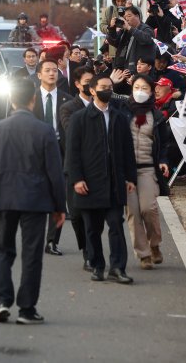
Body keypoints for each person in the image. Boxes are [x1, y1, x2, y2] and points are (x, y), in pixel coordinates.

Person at [0, 77, 65, 325]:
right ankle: (27, 308)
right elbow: (55, 171)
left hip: (3, 196)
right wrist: (59, 206)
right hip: (35, 198)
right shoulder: (44, 130)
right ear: (33, 100)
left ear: (11, 100)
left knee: (3, 250)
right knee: (31, 254)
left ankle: (2, 301)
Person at [65, 73, 137, 285]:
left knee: (116, 224)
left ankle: (117, 268)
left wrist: (130, 177)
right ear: (93, 90)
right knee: (92, 228)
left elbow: (127, 151)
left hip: (114, 182)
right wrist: (77, 179)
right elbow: (73, 152)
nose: (108, 90)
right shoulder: (80, 118)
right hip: (89, 183)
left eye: (110, 87)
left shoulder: (119, 117)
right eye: (103, 86)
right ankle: (97, 266)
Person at [123, 75, 171, 270]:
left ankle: (155, 244)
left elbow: (164, 143)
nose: (140, 91)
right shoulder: (122, 113)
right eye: (136, 87)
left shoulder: (157, 116)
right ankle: (143, 254)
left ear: (151, 91)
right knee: (133, 212)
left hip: (148, 169)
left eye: (144, 87)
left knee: (148, 209)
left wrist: (163, 161)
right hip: (127, 172)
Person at [31, 59, 73, 256]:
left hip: (61, 152)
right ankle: (35, 237)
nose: (51, 73)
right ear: (39, 75)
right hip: (36, 154)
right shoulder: (31, 100)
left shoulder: (67, 99)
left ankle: (51, 241)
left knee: (58, 198)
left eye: (55, 70)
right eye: (47, 70)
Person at [59, 66, 96, 271]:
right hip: (74, 167)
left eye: (93, 81)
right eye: (87, 81)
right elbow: (71, 131)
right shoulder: (68, 108)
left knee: (95, 215)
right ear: (77, 84)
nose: (90, 85)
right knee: (77, 213)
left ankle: (91, 253)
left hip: (98, 169)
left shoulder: (105, 105)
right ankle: (85, 247)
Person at [106, 5, 155, 73]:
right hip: (121, 69)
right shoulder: (125, 30)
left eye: (129, 16)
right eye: (125, 17)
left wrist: (129, 28)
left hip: (136, 70)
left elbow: (147, 39)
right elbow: (113, 42)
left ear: (137, 16)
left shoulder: (145, 29)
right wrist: (111, 28)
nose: (126, 19)